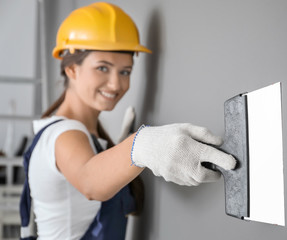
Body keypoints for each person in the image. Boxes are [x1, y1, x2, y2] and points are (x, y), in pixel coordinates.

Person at [20, 2, 236, 240]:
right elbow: (89, 182)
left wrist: (119, 152)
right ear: (72, 69)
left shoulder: (83, 134)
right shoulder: (65, 134)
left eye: (125, 71)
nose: (116, 84)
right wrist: (140, 145)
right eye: (103, 68)